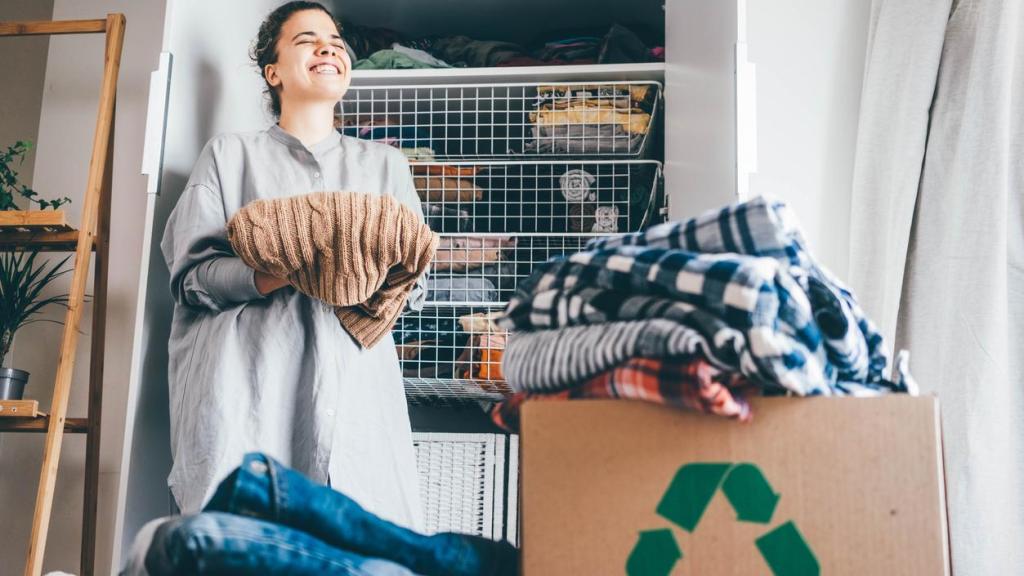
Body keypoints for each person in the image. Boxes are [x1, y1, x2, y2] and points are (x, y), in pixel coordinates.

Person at [160, 1, 426, 530]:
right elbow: (191, 278)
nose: (329, 47)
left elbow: (413, 285)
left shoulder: (386, 167)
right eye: (306, 39)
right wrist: (290, 267)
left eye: (335, 39)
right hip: (248, 395)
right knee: (242, 549)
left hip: (356, 405)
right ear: (273, 71)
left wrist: (354, 266)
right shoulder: (230, 157)